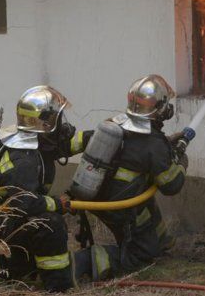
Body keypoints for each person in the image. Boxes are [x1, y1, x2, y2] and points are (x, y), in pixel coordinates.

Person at [74, 74, 188, 281]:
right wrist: (181, 162)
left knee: (146, 203)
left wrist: (167, 146)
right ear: (160, 108)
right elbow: (171, 185)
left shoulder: (115, 125)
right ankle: (88, 260)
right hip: (120, 206)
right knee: (142, 255)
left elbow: (134, 155)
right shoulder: (153, 143)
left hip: (97, 197)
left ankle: (160, 242)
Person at [0, 85, 92, 291]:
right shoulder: (24, 159)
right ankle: (58, 285)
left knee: (46, 219)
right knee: (51, 224)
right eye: (57, 120)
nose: (61, 124)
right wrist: (59, 203)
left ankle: (29, 267)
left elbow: (62, 146)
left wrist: (98, 138)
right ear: (43, 123)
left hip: (10, 223)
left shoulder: (36, 142)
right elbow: (26, 203)